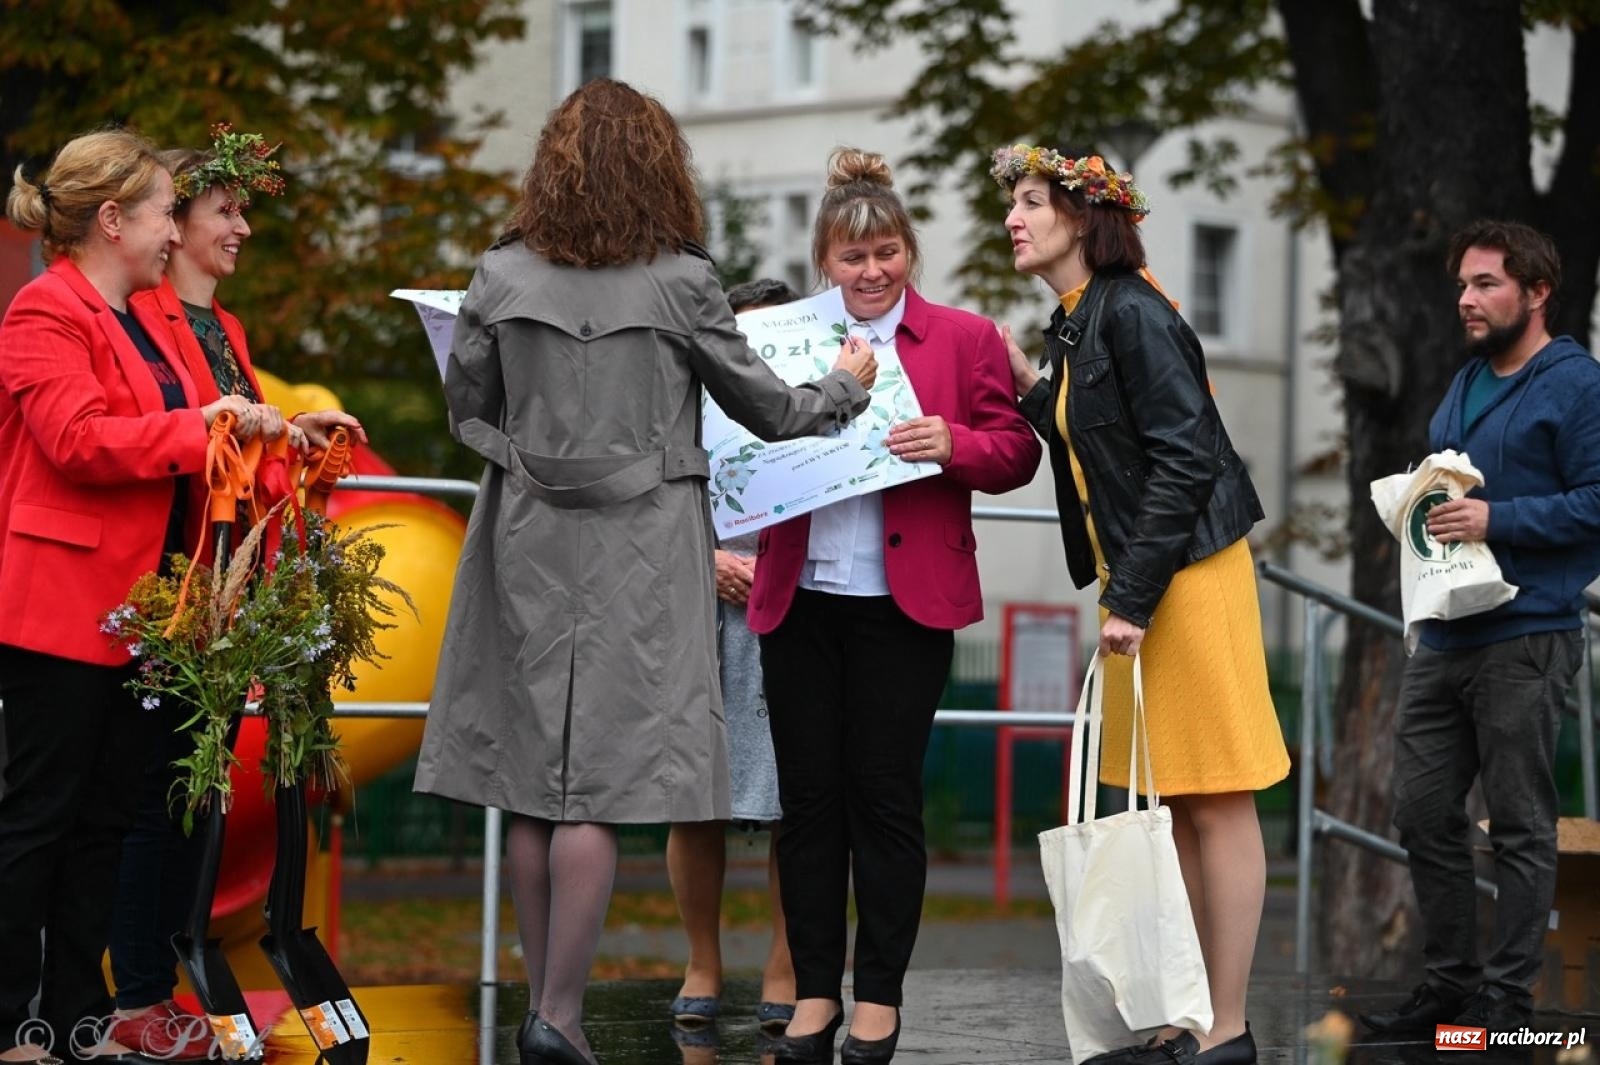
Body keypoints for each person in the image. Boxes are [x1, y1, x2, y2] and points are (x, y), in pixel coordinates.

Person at [412, 80, 876, 1065]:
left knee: (540, 784)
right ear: (660, 168)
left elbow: (465, 412)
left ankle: (552, 1007)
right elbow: (768, 411)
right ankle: (558, 1018)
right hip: (646, 542)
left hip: (529, 534)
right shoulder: (682, 281)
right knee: (605, 784)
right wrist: (843, 389)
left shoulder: (500, 275)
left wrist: (530, 460)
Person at [991, 143, 1289, 1065]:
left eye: (1032, 201)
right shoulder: (1080, 319)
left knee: (1217, 800)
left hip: (1186, 577)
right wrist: (1036, 394)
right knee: (1181, 802)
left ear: (1082, 218)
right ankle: (1192, 1020)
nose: (1014, 217)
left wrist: (1131, 594)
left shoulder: (1133, 311)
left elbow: (1186, 457)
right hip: (1155, 579)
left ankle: (1225, 1026)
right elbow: (1107, 444)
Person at [748, 148, 1041, 1065]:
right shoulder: (785, 342)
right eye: (851, 257)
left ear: (910, 251)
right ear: (823, 263)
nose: (871, 273)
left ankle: (878, 999)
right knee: (807, 807)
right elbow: (739, 447)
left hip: (906, 607)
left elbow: (1017, 452)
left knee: (884, 801)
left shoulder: (965, 339)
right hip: (799, 598)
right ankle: (812, 998)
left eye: (887, 254)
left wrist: (954, 442)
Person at [103, 129, 362, 1061]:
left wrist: (295, 432)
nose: (241, 226)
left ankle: (159, 982)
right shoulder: (147, 317)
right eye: (226, 209)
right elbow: (181, 430)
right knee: (163, 793)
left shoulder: (227, 329)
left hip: (225, 581)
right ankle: (138, 984)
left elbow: (236, 432)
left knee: (197, 791)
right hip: (171, 584)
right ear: (176, 229)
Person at [0, 130, 253, 1065]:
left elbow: (178, 429)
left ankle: (75, 1019)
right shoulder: (44, 309)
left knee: (102, 825)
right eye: (159, 210)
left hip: (140, 608)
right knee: (38, 821)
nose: (168, 227)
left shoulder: (136, 313)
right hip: (56, 604)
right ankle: (8, 1024)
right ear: (113, 220)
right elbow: (77, 440)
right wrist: (199, 428)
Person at [1358, 220, 1600, 1036]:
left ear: (1537, 292)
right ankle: (1451, 984)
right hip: (1447, 630)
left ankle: (1507, 999)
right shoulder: (1465, 380)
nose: (1466, 298)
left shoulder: (1576, 383)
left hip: (1527, 633)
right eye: (1462, 284)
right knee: (1422, 812)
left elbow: (1597, 500)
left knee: (1522, 823)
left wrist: (1499, 516)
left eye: (1486, 283)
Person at [666, 278, 804, 1035]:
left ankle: (786, 962)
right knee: (695, 799)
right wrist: (703, 557)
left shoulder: (813, 404)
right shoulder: (685, 406)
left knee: (797, 801)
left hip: (791, 613)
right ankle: (703, 961)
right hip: (702, 615)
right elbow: (651, 504)